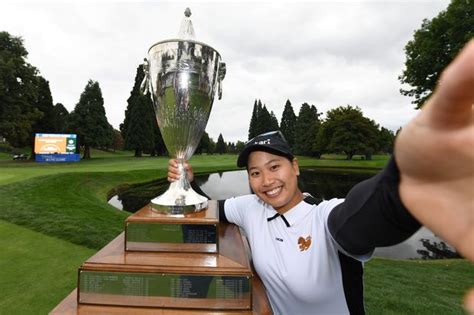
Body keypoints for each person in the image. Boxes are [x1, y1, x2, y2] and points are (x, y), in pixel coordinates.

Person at [168, 40, 474, 314]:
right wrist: (186, 183)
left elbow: (362, 220)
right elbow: (206, 208)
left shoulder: (324, 216)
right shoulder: (250, 207)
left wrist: (405, 184)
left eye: (275, 167)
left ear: (296, 167)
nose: (267, 181)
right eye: (255, 173)